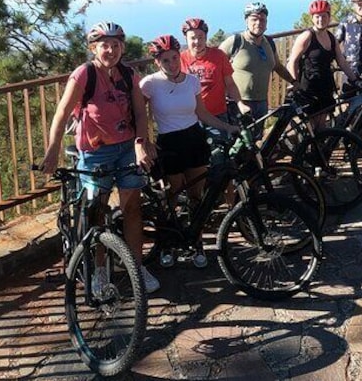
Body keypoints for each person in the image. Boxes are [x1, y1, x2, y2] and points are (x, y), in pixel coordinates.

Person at [42, 21, 159, 293]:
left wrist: (141, 144)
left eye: (116, 45)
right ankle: (99, 272)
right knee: (98, 213)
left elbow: (141, 114)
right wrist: (52, 149)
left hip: (127, 147)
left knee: (132, 209)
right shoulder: (84, 75)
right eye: (105, 45)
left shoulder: (128, 75)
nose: (111, 50)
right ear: (94, 48)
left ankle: (136, 267)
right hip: (95, 153)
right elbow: (62, 113)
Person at [139, 34, 237, 268]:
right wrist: (143, 142)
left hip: (194, 139)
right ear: (157, 63)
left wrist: (228, 127)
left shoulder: (192, 81)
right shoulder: (149, 84)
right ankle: (166, 243)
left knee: (196, 196)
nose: (172, 64)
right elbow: (138, 115)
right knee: (171, 196)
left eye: (174, 58)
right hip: (168, 144)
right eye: (165, 61)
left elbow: (202, 114)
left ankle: (196, 242)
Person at [219, 2, 296, 123]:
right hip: (237, 104)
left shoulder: (269, 43)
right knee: (239, 140)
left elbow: (278, 67)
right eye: (254, 19)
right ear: (246, 21)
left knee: (257, 138)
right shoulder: (236, 42)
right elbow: (215, 65)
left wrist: (294, 82)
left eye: (262, 20)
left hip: (262, 102)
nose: (258, 23)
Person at [287, 0, 358, 128]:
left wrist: (354, 79)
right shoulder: (307, 36)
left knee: (322, 126)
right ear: (312, 18)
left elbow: (341, 61)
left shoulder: (331, 38)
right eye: (317, 17)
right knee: (312, 127)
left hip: (325, 86)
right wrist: (294, 83)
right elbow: (292, 61)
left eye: (324, 16)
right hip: (309, 87)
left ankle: (319, 148)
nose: (321, 20)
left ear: (329, 17)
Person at [180, 17, 250, 126]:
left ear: (206, 37)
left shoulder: (218, 56)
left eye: (200, 37)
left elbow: (230, 84)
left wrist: (240, 103)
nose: (197, 42)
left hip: (218, 115)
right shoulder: (180, 60)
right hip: (191, 117)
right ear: (185, 38)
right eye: (192, 38)